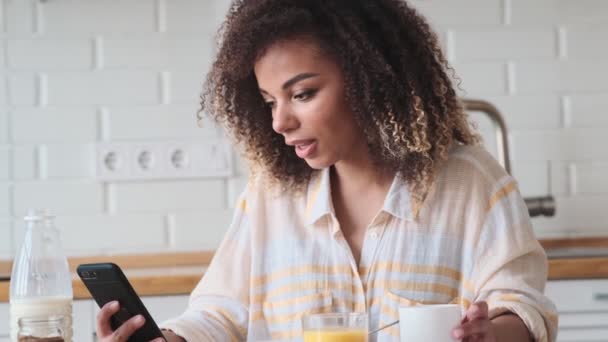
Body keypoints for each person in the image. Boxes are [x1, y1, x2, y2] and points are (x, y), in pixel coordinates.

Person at [95, 0, 558, 341]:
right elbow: (221, 314)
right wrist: (167, 340)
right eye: (270, 101)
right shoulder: (270, 195)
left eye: (302, 94)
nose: (280, 122)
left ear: (370, 78)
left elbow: (522, 307)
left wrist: (491, 334)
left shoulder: (470, 183)